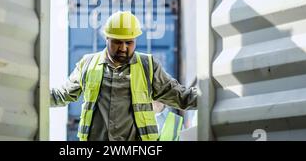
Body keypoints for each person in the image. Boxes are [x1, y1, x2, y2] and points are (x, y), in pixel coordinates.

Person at [50, 11, 197, 141]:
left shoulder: (148, 66)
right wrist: (31, 95)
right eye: (117, 42)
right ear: (106, 38)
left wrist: (212, 97)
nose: (123, 48)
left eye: (129, 42)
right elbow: (60, 96)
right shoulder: (87, 64)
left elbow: (181, 97)